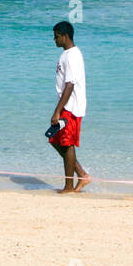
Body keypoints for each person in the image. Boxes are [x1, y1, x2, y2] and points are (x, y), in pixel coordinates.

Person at [49, 21, 90, 193]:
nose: (54, 40)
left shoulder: (73, 55)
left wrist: (58, 111)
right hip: (66, 105)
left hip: (71, 107)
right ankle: (82, 174)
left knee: (67, 144)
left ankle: (68, 186)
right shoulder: (66, 54)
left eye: (56, 36)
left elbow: (70, 85)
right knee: (55, 140)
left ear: (65, 36)